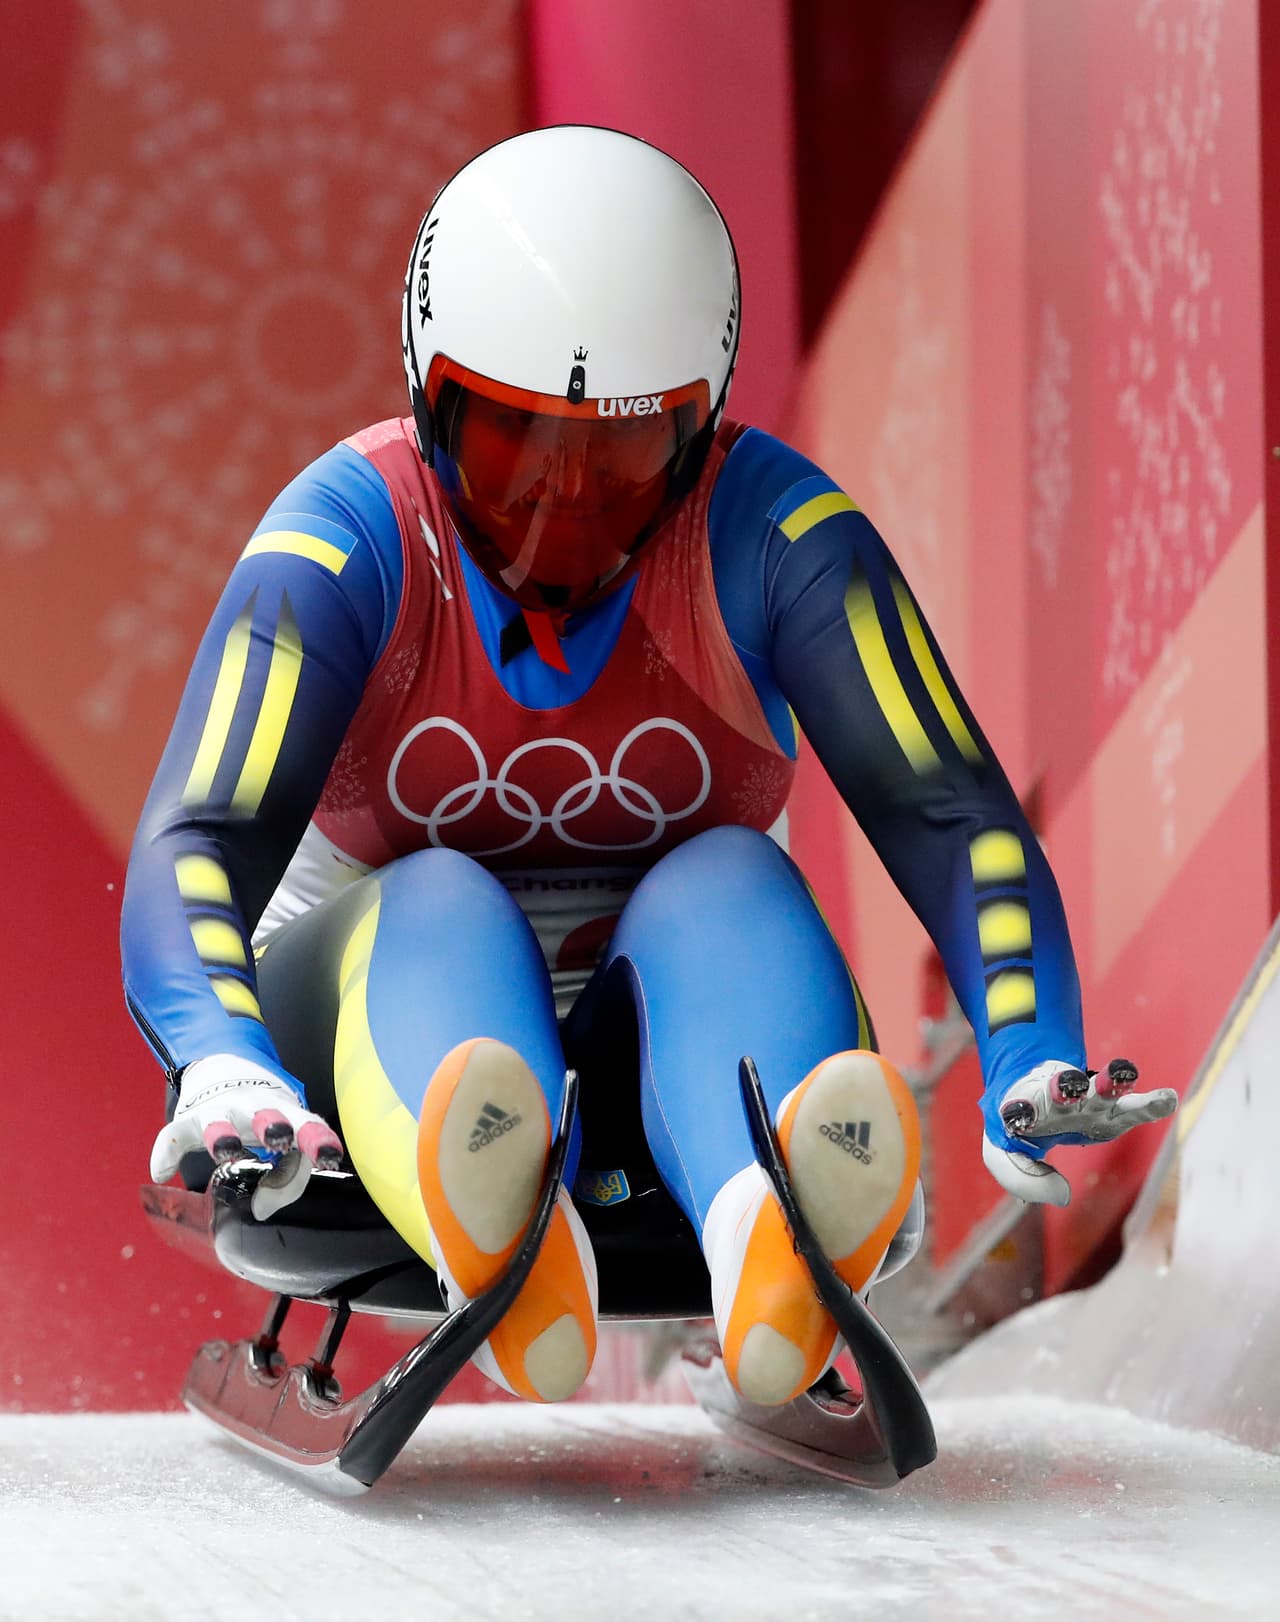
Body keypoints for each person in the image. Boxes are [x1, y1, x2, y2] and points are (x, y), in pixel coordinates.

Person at [123, 125, 1176, 1410]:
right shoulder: (339, 548)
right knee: (442, 890)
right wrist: (222, 1057)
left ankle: (757, 1233)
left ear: (697, 427)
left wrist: (1028, 1047)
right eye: (510, 444)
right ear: (426, 392)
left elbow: (945, 807)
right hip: (355, 1075)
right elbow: (199, 836)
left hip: (672, 1061)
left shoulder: (785, 539)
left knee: (727, 870)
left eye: (619, 458)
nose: (560, 509)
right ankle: (513, 1229)